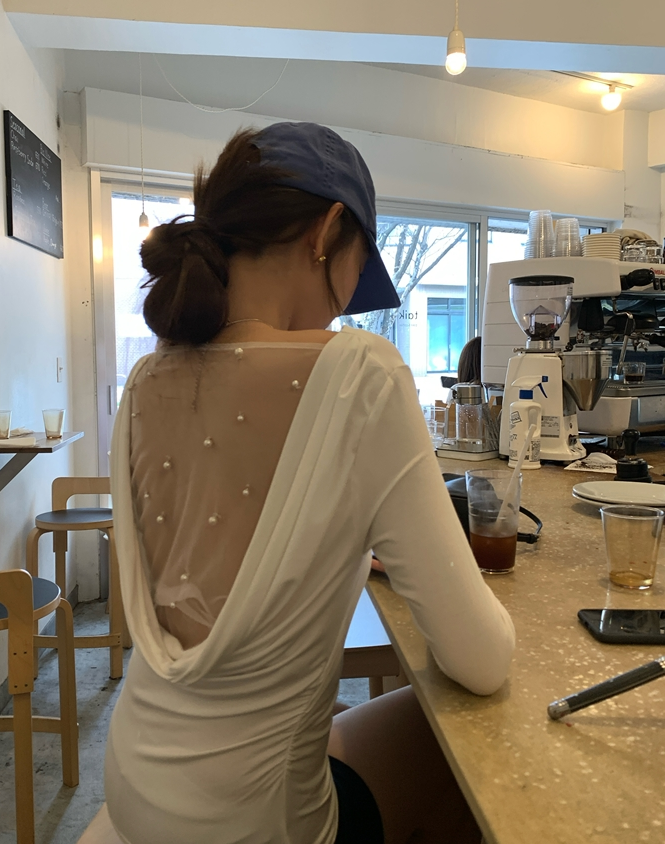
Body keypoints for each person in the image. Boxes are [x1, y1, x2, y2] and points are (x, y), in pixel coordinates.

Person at [103, 122, 515, 844]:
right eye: (358, 271)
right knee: (466, 747)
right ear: (326, 232)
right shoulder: (361, 373)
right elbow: (481, 660)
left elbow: (220, 544)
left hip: (135, 779)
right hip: (256, 824)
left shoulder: (143, 380)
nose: (347, 304)